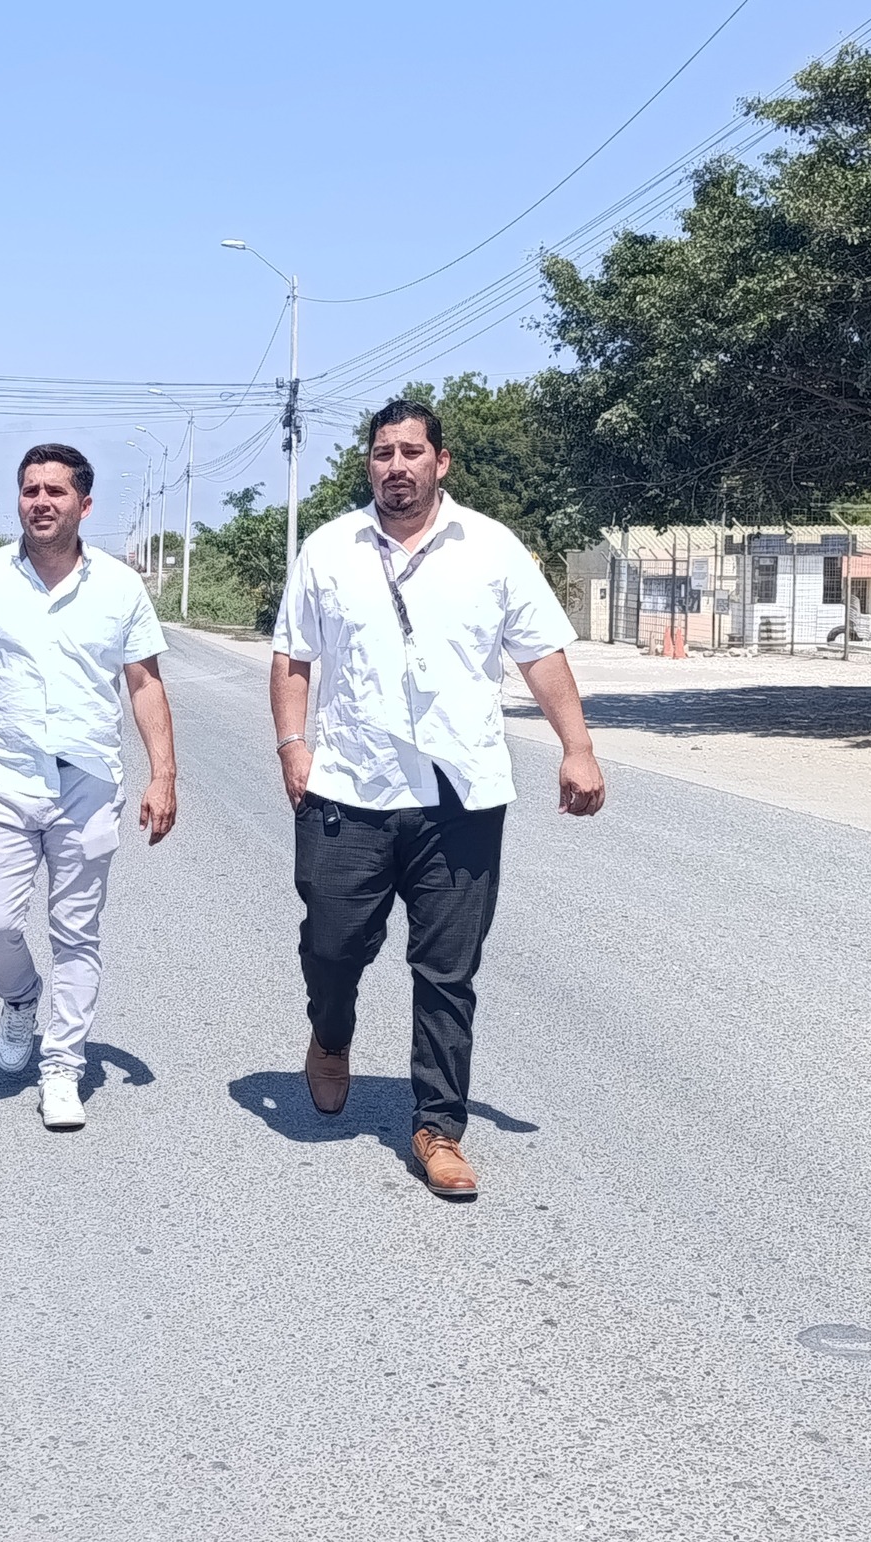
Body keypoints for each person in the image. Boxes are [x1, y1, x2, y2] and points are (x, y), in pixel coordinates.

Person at [269, 400, 606, 1199]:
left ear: (441, 461)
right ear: (369, 464)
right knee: (332, 947)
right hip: (349, 787)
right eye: (383, 452)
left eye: (411, 451)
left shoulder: (491, 548)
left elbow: (540, 654)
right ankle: (330, 1035)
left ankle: (437, 1127)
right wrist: (292, 746)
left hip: (462, 795)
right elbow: (293, 655)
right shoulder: (329, 548)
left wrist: (578, 746)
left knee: (448, 970)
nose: (396, 465)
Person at [0, 444, 177, 1132]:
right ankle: (20, 997)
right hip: (3, 781)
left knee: (76, 932)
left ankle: (62, 1066)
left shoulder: (119, 586)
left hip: (88, 783)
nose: (40, 502)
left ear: (83, 505)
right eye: (30, 490)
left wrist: (163, 774)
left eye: (55, 491)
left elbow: (144, 683)